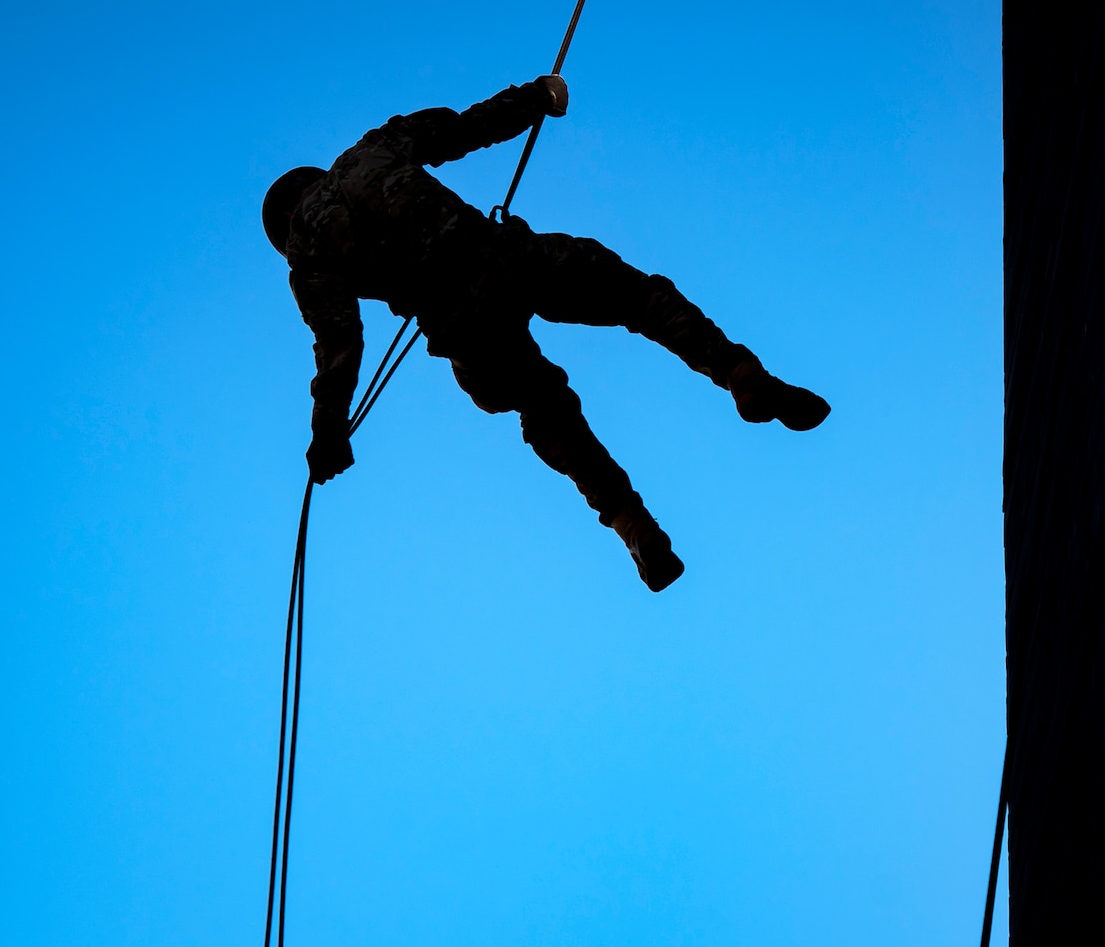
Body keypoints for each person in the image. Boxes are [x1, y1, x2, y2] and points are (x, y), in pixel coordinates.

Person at [263, 75, 828, 591]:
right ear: (312, 177)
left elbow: (338, 344)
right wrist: (539, 96)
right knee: (638, 297)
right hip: (504, 258)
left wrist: (329, 434)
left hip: (462, 330)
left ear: (285, 222)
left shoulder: (305, 255)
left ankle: (634, 526)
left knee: (548, 415)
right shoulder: (371, 152)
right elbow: (467, 126)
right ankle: (741, 374)